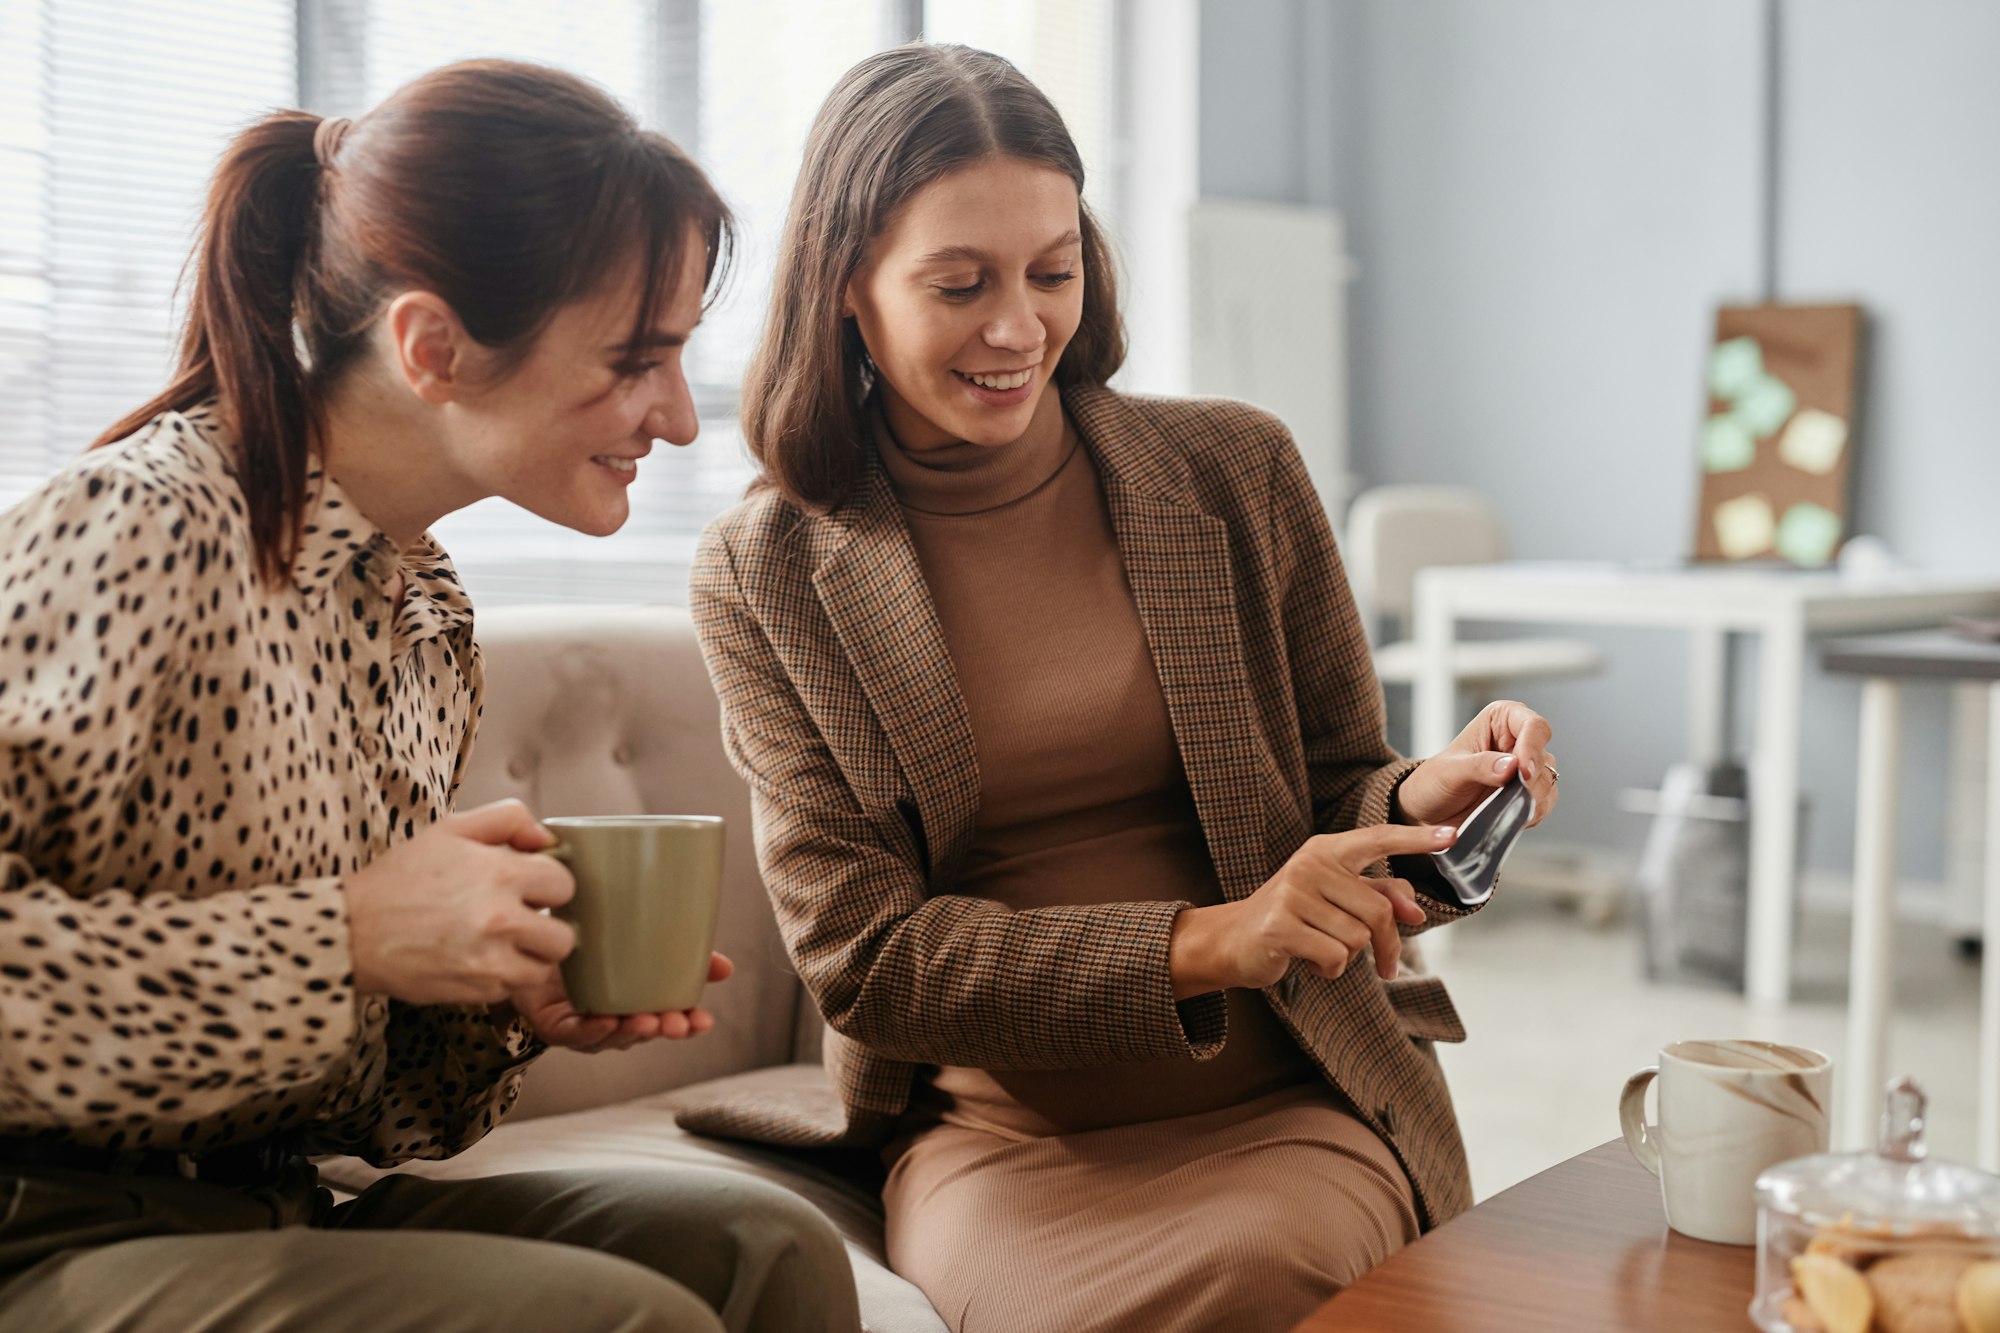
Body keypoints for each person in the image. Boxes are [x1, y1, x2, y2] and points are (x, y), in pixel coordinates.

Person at [686, 43, 1560, 1333]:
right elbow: (868, 959)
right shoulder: (766, 573)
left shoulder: (1231, 471)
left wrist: (1419, 795)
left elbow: (1331, 779)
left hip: (1288, 1096)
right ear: (845, 289)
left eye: (1052, 269)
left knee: (1264, 1279)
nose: (1016, 326)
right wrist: (1213, 939)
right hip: (1005, 1139)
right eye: (957, 283)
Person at [0, 59, 859, 1333]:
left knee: (761, 1248)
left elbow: (372, 1116)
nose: (679, 419)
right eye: (637, 359)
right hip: (43, 1236)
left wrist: (492, 1008)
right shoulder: (144, 528)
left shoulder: (420, 607)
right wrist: (342, 936)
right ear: (431, 346)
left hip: (271, 1204)